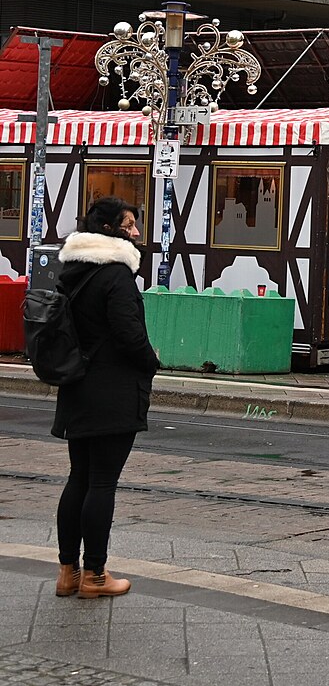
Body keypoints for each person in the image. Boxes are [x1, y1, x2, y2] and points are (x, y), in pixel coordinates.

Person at [52, 197, 160, 600]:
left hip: (77, 386)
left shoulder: (74, 271)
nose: (136, 232)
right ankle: (95, 575)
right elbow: (129, 334)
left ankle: (68, 572)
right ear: (110, 230)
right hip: (112, 390)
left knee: (78, 477)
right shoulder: (116, 275)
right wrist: (152, 361)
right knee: (101, 482)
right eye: (129, 225)